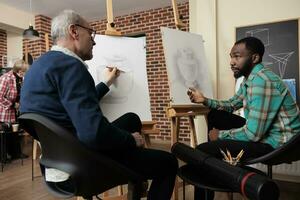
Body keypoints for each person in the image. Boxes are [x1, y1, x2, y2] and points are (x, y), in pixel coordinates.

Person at [20, 10, 178, 199]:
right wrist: (130, 139)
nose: (94, 41)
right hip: (84, 164)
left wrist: (106, 84)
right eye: (91, 33)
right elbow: (93, 134)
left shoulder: (41, 66)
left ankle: (137, 181)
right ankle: (137, 175)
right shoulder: (72, 67)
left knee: (131, 119)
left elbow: (74, 105)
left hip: (57, 164)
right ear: (74, 31)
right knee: (168, 163)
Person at [187, 37, 300, 199]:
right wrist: (204, 100)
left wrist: (220, 135)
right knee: (215, 113)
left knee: (202, 151)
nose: (232, 62)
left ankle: (213, 157)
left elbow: (253, 134)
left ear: (255, 58)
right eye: (231, 57)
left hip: (279, 144)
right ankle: (217, 159)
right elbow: (232, 104)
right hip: (267, 134)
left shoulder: (262, 81)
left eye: (237, 56)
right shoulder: (249, 79)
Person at [0, 59, 28, 160]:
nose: (23, 73)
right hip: (4, 110)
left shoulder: (21, 79)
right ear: (18, 70)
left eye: (25, 71)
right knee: (6, 134)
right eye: (22, 71)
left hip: (14, 109)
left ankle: (16, 154)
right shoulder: (5, 78)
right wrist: (12, 104)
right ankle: (4, 156)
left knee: (14, 133)